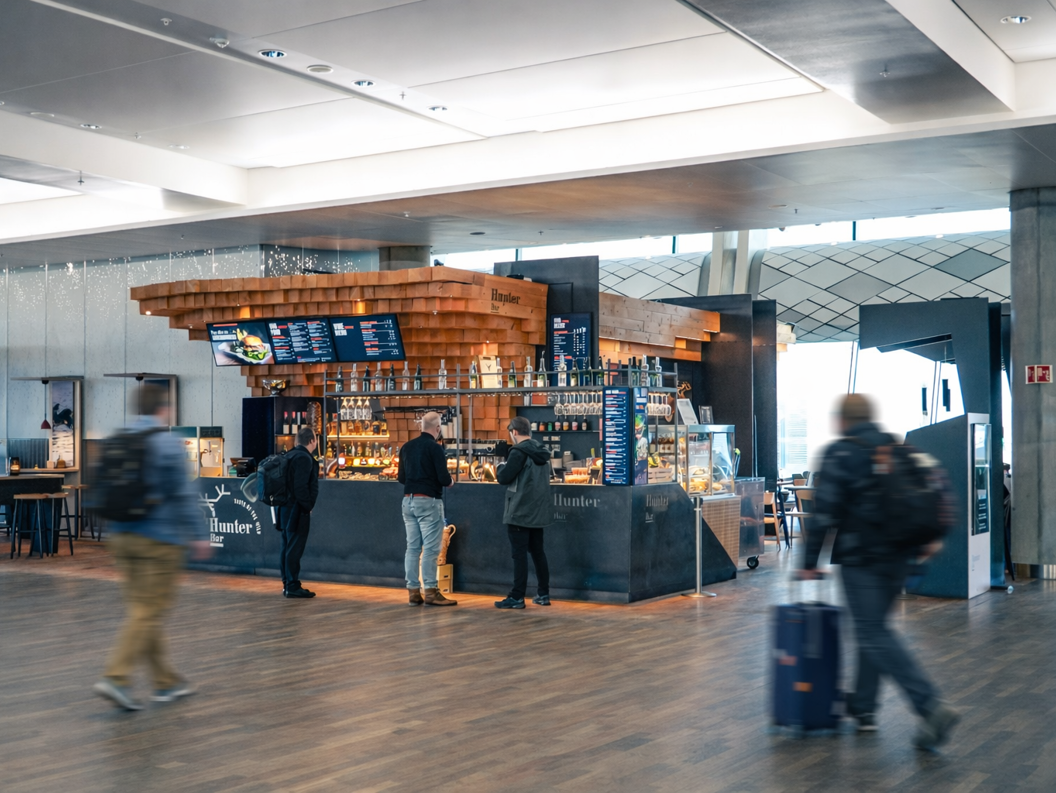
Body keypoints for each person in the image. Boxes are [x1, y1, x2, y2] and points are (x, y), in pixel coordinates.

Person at [796, 394, 960, 750]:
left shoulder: (841, 453)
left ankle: (930, 705)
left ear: (842, 421)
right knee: (874, 630)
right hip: (899, 557)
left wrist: (809, 563)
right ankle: (864, 709)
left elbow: (824, 514)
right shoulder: (894, 447)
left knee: (872, 632)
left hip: (862, 558)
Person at [92, 384, 210, 711]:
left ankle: (166, 682)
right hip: (159, 541)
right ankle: (116, 677)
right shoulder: (167, 445)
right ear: (164, 409)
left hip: (121, 536)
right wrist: (200, 535)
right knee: (148, 611)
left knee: (142, 612)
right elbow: (184, 496)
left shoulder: (118, 438)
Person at [493, 416, 553, 609]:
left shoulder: (518, 452)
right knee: (538, 553)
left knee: (519, 555)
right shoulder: (542, 452)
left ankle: (517, 596)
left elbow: (504, 477)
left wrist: (499, 467)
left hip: (519, 510)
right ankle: (543, 594)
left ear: (514, 432)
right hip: (538, 511)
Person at [398, 411, 455, 606]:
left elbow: (401, 478)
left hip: (408, 501)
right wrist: (451, 481)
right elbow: (444, 479)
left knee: (412, 548)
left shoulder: (406, 447)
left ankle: (413, 591)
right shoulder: (435, 448)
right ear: (437, 428)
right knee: (431, 549)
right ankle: (430, 590)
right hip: (428, 501)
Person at [277, 426, 320, 599]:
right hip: (297, 510)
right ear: (312, 441)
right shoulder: (304, 458)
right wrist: (308, 505)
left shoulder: (289, 455)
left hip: (284, 508)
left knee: (286, 546)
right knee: (294, 548)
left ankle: (287, 583)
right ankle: (293, 586)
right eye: (316, 438)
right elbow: (300, 487)